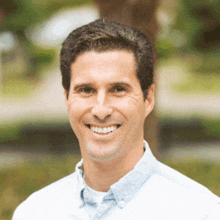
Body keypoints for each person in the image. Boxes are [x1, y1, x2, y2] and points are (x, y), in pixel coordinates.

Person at [12, 19, 220, 220]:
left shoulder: (202, 212)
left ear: (148, 99)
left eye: (118, 89)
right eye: (86, 90)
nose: (101, 110)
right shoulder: (33, 212)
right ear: (67, 99)